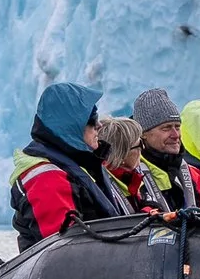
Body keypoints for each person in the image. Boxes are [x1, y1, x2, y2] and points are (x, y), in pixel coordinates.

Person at [9, 81, 125, 250]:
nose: (99, 125)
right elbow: (63, 249)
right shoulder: (46, 178)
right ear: (71, 127)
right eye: (92, 120)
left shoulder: (75, 165)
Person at [97, 116, 158, 213]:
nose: (143, 148)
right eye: (139, 144)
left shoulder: (133, 177)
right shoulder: (100, 187)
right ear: (121, 154)